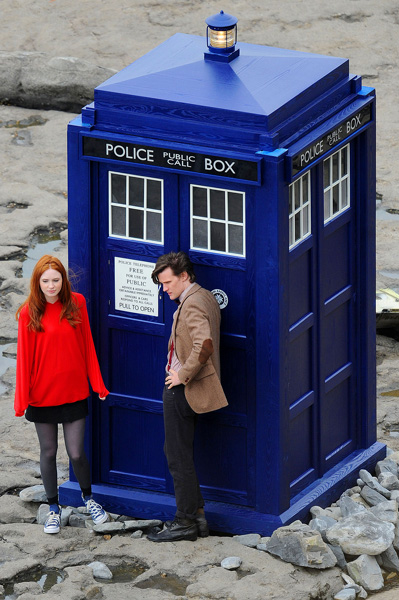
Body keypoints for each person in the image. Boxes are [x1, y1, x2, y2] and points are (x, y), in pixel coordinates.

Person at [14, 255, 109, 534]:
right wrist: (21, 400)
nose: (51, 285)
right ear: (37, 282)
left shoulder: (76, 303)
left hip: (74, 391)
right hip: (41, 395)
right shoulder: (27, 312)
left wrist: (98, 385)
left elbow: (87, 345)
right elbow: (24, 361)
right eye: (46, 281)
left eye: (56, 280)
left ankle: (88, 499)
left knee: (77, 452)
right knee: (49, 451)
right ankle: (53, 509)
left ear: (63, 280)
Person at [148, 251, 228, 542]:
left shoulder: (192, 303)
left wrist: (182, 375)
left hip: (184, 390)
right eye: (161, 284)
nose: (165, 288)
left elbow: (203, 342)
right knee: (178, 453)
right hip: (191, 388)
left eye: (168, 282)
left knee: (177, 456)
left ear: (184, 276)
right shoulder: (205, 296)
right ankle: (198, 517)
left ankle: (184, 521)